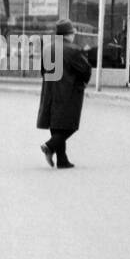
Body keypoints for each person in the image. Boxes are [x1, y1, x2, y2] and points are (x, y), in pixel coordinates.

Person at [36, 20, 92, 169]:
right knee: (70, 125)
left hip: (50, 91)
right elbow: (85, 70)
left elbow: (42, 71)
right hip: (68, 92)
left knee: (56, 124)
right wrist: (83, 83)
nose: (74, 35)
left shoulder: (48, 48)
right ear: (68, 34)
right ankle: (49, 146)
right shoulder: (74, 50)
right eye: (73, 33)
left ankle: (62, 160)